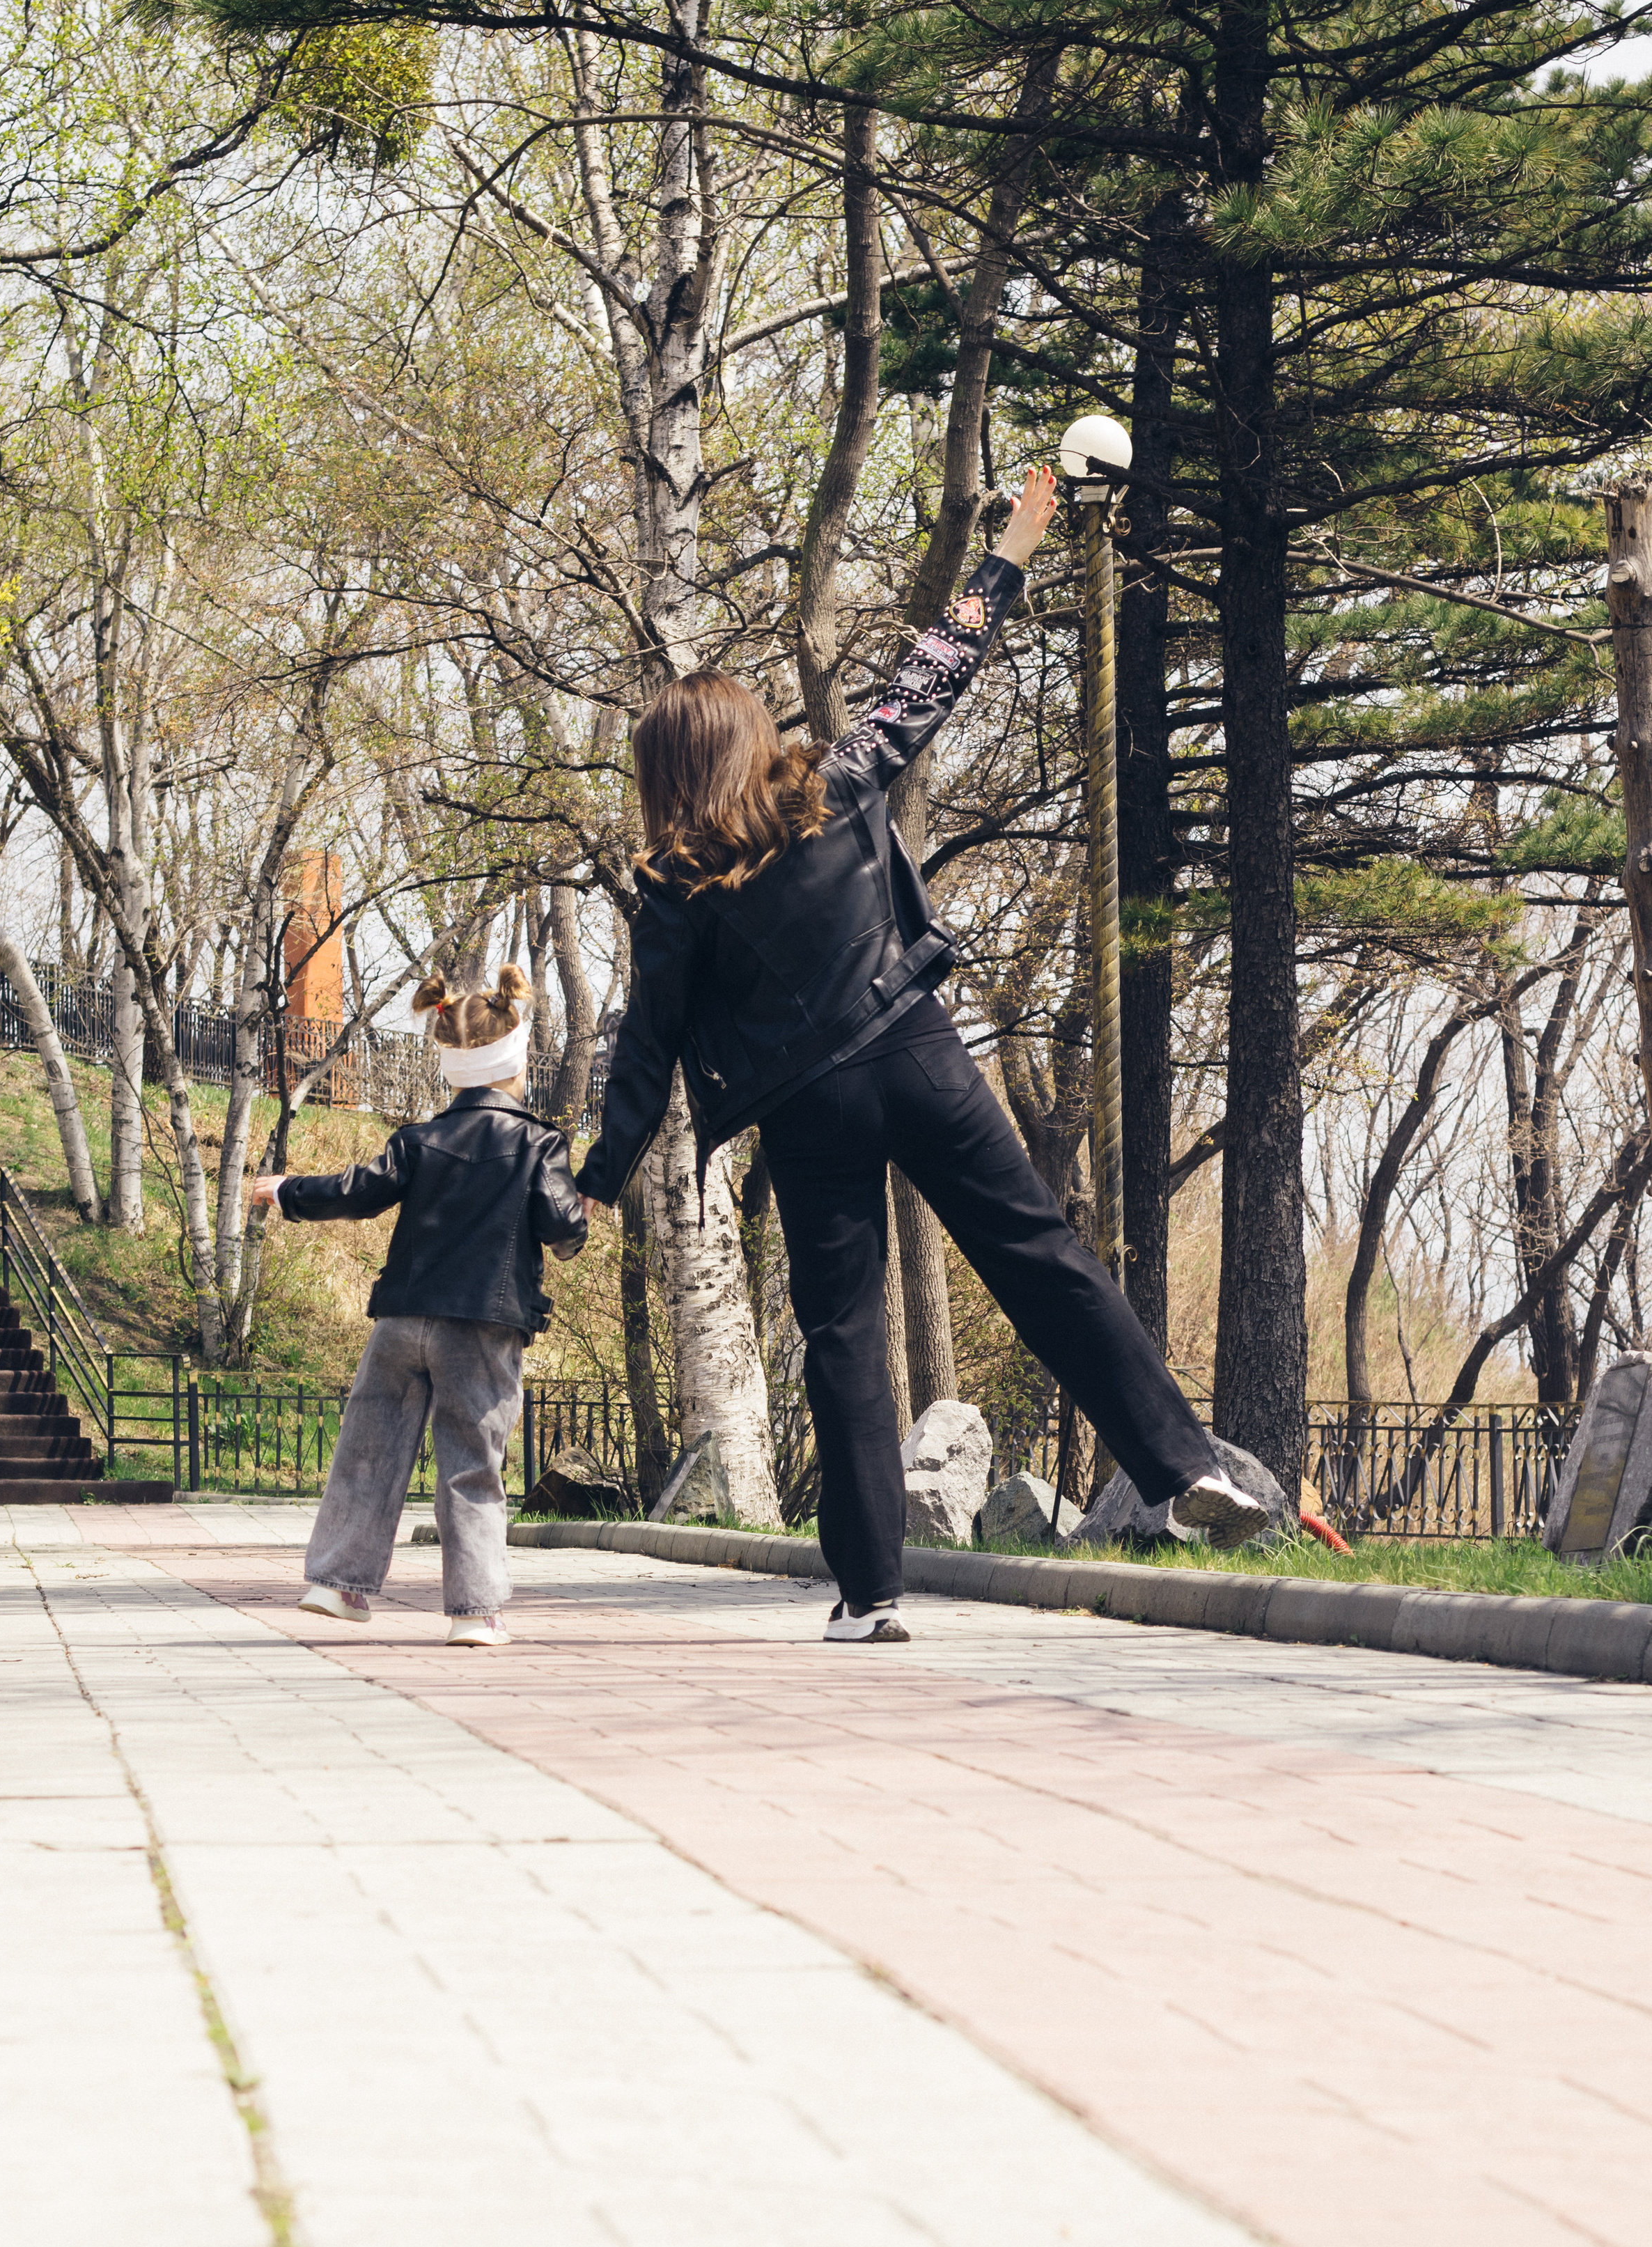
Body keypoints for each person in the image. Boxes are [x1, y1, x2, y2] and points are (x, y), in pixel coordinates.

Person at [575, 465, 1264, 1643]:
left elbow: (648, 1047)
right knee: (1038, 1254)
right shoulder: (835, 785)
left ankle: (871, 1592)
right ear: (750, 741)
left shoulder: (675, 887)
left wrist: (598, 1176)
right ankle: (1176, 1465)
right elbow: (931, 676)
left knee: (844, 1331)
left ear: (664, 777)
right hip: (919, 1053)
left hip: (809, 1108)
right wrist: (1014, 548)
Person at [251, 962, 586, 1647]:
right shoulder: (537, 1143)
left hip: (403, 1320)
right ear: (514, 1064)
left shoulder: (418, 1140)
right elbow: (561, 1227)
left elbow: (357, 1190)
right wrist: (578, 1214)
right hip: (483, 1328)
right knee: (471, 1461)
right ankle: (475, 1612)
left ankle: (340, 1585)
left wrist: (287, 1190)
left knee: (369, 1451)